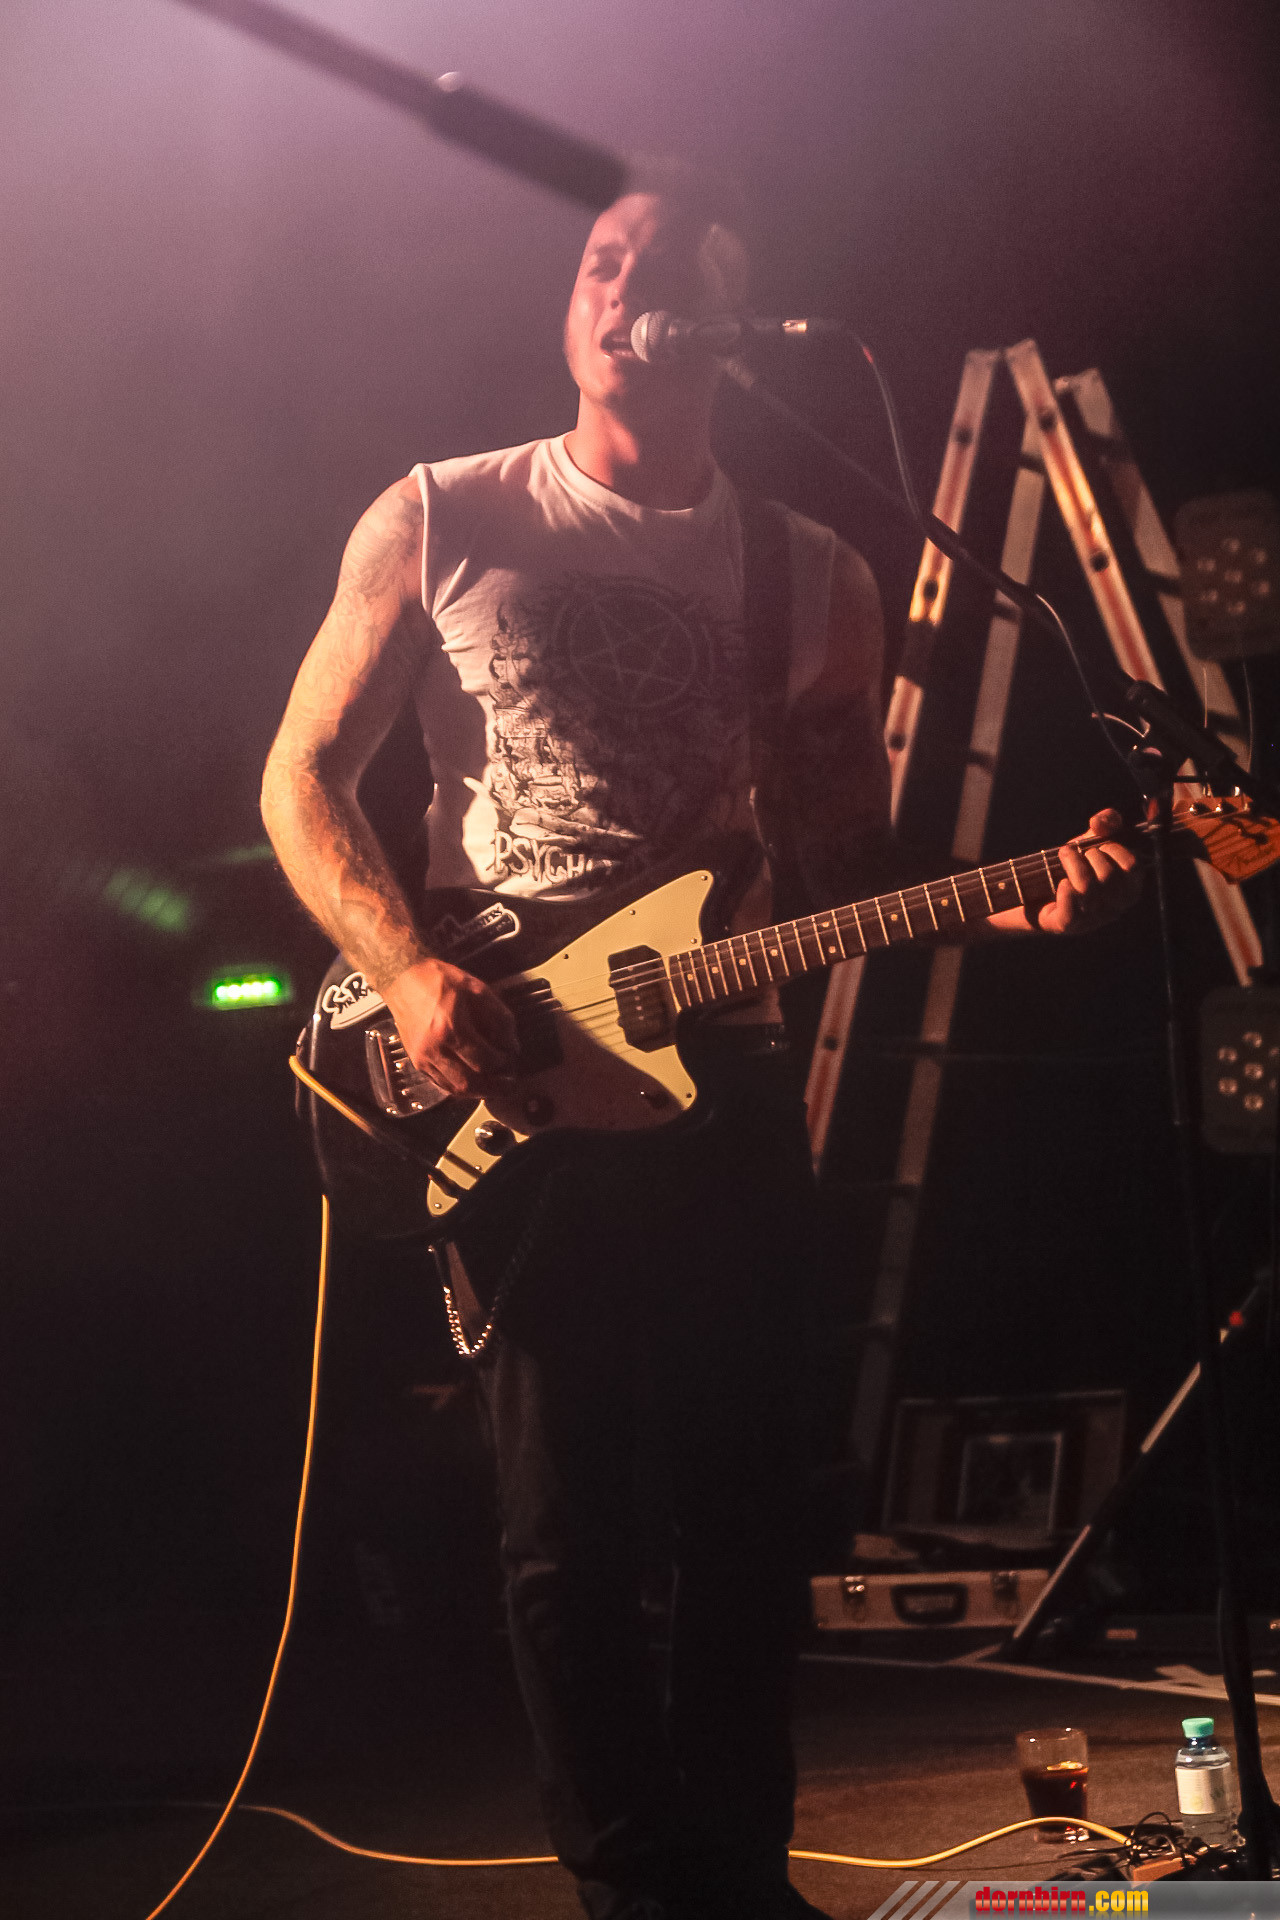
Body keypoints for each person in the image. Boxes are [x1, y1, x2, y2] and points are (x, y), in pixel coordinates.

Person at [260, 171, 1139, 1920]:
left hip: (720, 1070)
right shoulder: (443, 513)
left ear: (731, 331)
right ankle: (630, 1891)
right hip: (508, 1065)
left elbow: (841, 868)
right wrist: (410, 971)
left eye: (662, 274)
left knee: (749, 1511)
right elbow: (300, 779)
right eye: (602, 263)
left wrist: (1014, 903)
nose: (620, 294)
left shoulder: (814, 577)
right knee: (565, 1530)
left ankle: (741, 1880)